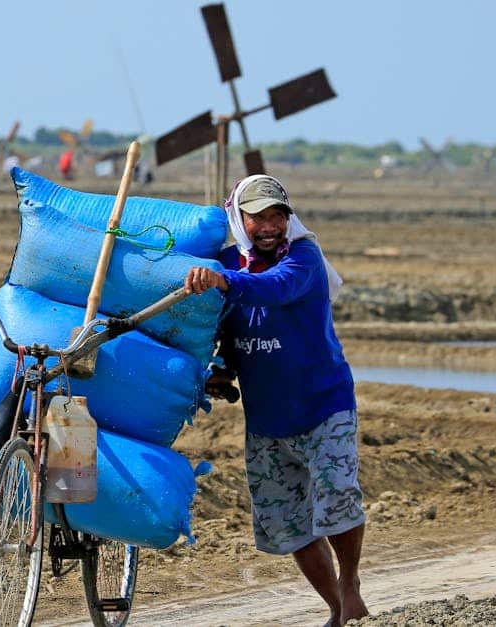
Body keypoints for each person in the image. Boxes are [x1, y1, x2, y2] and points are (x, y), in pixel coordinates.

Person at [184, 175, 367, 627]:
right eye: (257, 217)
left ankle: (350, 583)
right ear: (238, 220)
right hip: (266, 416)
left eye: (276, 216)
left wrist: (224, 281)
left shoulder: (304, 256)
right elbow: (222, 326)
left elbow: (277, 288)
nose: (268, 226)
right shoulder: (227, 264)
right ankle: (336, 608)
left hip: (324, 405)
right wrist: (222, 366)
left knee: (338, 498)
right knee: (288, 521)